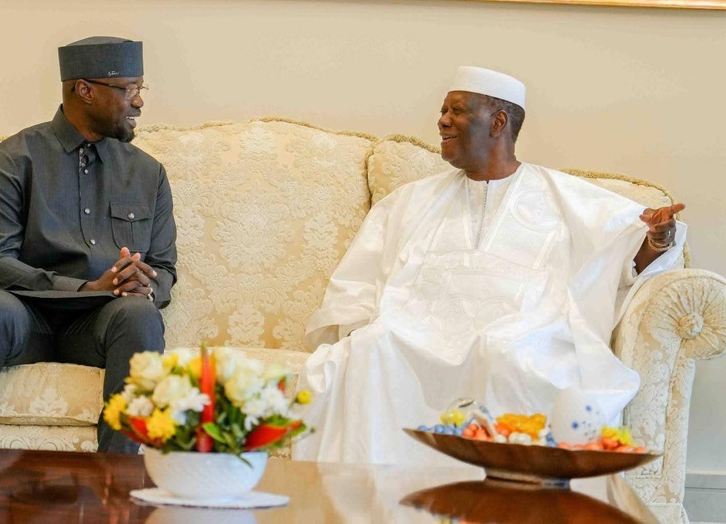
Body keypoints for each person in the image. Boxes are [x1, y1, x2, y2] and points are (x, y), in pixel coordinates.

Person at [293, 66, 686, 465]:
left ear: (498, 122)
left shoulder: (564, 196)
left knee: (504, 355)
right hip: (413, 331)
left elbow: (624, 248)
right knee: (371, 347)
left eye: (457, 110)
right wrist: (359, 327)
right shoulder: (409, 201)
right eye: (443, 110)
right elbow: (358, 283)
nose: (442, 120)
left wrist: (657, 239)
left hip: (519, 331)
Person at [0, 36, 177, 454]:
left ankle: (114, 494)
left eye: (142, 89)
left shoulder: (148, 173)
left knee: (140, 315)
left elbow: (164, 265)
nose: (139, 102)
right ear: (84, 90)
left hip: (102, 323)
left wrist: (145, 285)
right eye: (129, 89)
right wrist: (84, 288)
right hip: (25, 317)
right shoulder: (13, 158)